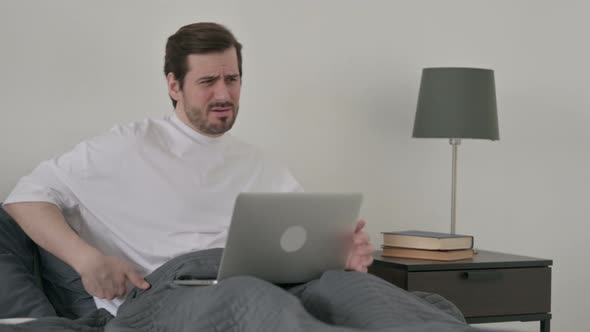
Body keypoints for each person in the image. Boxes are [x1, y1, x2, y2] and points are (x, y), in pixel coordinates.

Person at [1, 23, 472, 331]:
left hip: (272, 281)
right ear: (173, 85)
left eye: (233, 79)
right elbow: (24, 199)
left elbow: (303, 248)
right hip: (166, 295)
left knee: (358, 291)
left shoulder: (260, 163)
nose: (224, 93)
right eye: (207, 82)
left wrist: (342, 253)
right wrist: (87, 261)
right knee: (251, 300)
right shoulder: (125, 145)